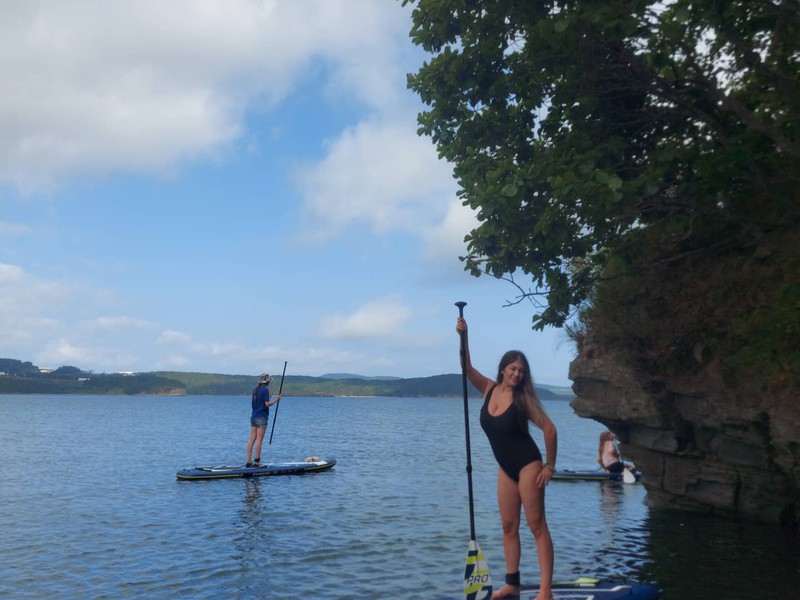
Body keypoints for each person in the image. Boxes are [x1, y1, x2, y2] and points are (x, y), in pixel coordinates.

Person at [456, 316, 557, 600]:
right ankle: (512, 584)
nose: (517, 374)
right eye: (513, 368)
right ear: (502, 369)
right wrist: (464, 336)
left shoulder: (523, 400)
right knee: (508, 526)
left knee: (537, 527)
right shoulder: (488, 389)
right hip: (506, 469)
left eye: (521, 371)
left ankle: (545, 591)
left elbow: (550, 430)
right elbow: (465, 367)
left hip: (528, 466)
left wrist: (550, 466)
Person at [246, 373, 281, 467]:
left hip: (253, 417)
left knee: (251, 439)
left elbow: (257, 403)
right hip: (262, 418)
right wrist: (276, 399)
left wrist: (268, 397)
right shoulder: (265, 389)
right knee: (259, 440)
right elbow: (267, 404)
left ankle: (248, 462)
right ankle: (257, 463)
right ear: (267, 381)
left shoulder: (255, 390)